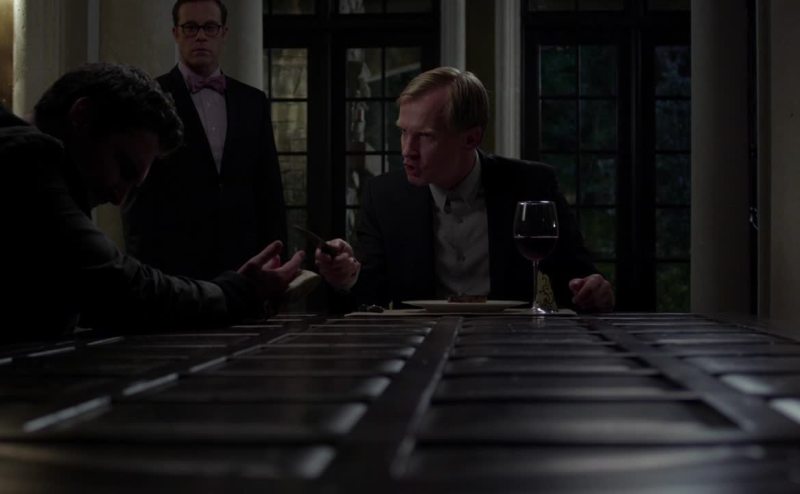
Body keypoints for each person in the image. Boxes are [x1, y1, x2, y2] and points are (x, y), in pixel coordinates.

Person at [0, 63, 303, 343]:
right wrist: (237, 292)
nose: (118, 198)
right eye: (123, 167)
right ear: (82, 115)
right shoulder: (26, 159)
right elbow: (118, 287)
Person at [317, 67, 614, 312]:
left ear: (471, 139)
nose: (407, 150)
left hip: (513, 347)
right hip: (418, 350)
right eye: (404, 132)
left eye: (426, 136)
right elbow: (371, 294)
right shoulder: (383, 195)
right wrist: (347, 277)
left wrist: (593, 289)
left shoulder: (532, 185)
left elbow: (578, 275)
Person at [122, 0, 287, 281]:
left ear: (223, 33)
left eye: (210, 27)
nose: (200, 36)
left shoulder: (253, 101)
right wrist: (143, 269)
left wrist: (276, 256)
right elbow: (136, 193)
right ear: (176, 33)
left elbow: (268, 186)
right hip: (173, 265)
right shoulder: (149, 96)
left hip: (243, 261)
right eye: (190, 27)